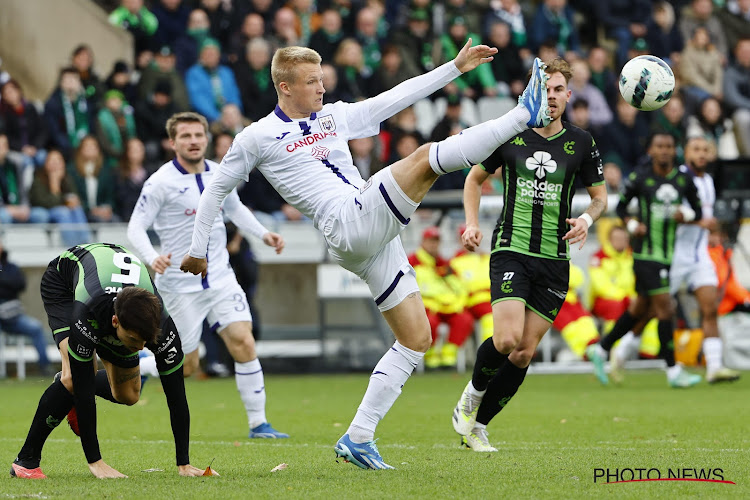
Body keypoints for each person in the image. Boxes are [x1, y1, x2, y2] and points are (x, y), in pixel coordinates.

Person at [181, 41, 552, 469]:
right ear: (284, 87)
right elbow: (215, 190)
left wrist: (454, 67)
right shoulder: (256, 137)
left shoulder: (333, 116)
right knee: (424, 159)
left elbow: (395, 98)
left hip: (369, 236)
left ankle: (358, 437)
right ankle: (524, 115)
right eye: (311, 82)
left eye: (322, 79)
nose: (321, 88)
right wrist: (197, 250)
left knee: (416, 340)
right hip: (346, 221)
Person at [451, 58, 607, 453]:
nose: (551, 97)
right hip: (512, 250)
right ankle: (470, 396)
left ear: (569, 96)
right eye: (545, 89)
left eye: (558, 90)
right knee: (505, 340)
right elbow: (474, 178)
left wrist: (587, 218)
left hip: (555, 260)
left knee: (523, 353)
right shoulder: (511, 136)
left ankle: (478, 427)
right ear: (532, 92)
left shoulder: (582, 142)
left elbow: (600, 196)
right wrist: (472, 223)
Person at [127, 112, 289, 439]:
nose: (193, 141)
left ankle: (259, 424)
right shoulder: (160, 182)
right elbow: (136, 227)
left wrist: (263, 234)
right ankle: (142, 363)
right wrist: (152, 257)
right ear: (173, 143)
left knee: (243, 341)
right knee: (188, 366)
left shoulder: (219, 172)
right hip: (179, 285)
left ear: (206, 138)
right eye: (185, 136)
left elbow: (235, 209)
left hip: (220, 278)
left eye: (198, 135)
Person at [10, 243, 207, 479]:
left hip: (113, 294)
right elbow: (84, 392)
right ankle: (26, 461)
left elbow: (177, 396)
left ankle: (64, 391)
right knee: (74, 377)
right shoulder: (89, 311)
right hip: (63, 285)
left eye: (146, 341)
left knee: (129, 395)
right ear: (115, 322)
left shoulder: (162, 327)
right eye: (135, 340)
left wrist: (183, 464)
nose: (142, 348)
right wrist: (96, 462)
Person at [608, 136, 740, 384]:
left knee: (709, 307)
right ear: (686, 153)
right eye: (696, 150)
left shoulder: (709, 181)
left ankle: (714, 367)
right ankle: (621, 351)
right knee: (649, 311)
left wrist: (710, 228)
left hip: (699, 254)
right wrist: (692, 218)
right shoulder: (677, 178)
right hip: (672, 253)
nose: (701, 154)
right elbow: (675, 214)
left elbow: (702, 214)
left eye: (705, 150)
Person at [586, 131, 703, 388]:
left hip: (667, 254)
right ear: (650, 150)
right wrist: (632, 225)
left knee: (639, 309)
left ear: (675, 150)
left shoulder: (683, 179)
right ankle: (673, 370)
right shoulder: (640, 177)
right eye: (659, 146)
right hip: (645, 253)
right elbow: (620, 207)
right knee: (665, 308)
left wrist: (686, 213)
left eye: (669, 146)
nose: (664, 150)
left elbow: (698, 210)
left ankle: (602, 349)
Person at [408, 226, 474, 369]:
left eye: (436, 241)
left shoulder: (444, 263)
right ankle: (430, 358)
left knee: (464, 319)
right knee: (429, 322)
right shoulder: (412, 261)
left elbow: (459, 286)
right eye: (431, 241)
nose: (434, 244)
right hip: (425, 307)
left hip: (447, 307)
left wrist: (458, 303)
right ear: (423, 242)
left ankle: (448, 357)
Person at [0, 237, 51, 375]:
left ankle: (44, 367)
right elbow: (11, 285)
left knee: (36, 328)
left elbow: (19, 285)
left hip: (12, 317)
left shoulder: (11, 267)